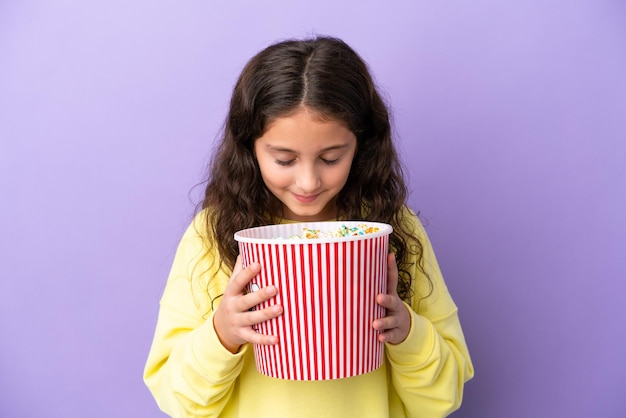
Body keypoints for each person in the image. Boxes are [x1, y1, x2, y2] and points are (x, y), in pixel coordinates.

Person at [144, 35, 474, 418]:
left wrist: (408, 333)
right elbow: (177, 400)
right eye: (284, 160)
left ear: (361, 145)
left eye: (331, 158)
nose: (307, 182)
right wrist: (222, 333)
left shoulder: (395, 228)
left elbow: (444, 398)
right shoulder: (212, 234)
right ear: (249, 148)